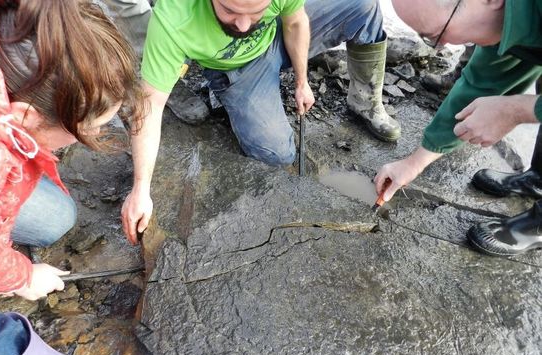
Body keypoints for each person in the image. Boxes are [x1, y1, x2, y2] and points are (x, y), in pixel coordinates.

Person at [122, 0, 401, 244]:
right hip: (237, 68)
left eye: (256, 11)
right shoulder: (173, 19)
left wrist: (302, 82)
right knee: (279, 155)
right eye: (229, 10)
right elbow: (149, 105)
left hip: (277, 35)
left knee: (363, 5)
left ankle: (365, 102)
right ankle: (223, 92)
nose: (243, 26)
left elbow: (295, 21)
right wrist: (140, 189)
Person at [0, 0, 144, 355]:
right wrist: (20, 277)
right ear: (23, 117)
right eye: (87, 130)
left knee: (55, 218)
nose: (93, 138)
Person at [374, 0, 542, 256]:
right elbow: (479, 85)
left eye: (436, 35)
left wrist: (517, 109)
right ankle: (539, 179)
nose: (443, 47)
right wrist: (415, 162)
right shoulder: (504, 19)